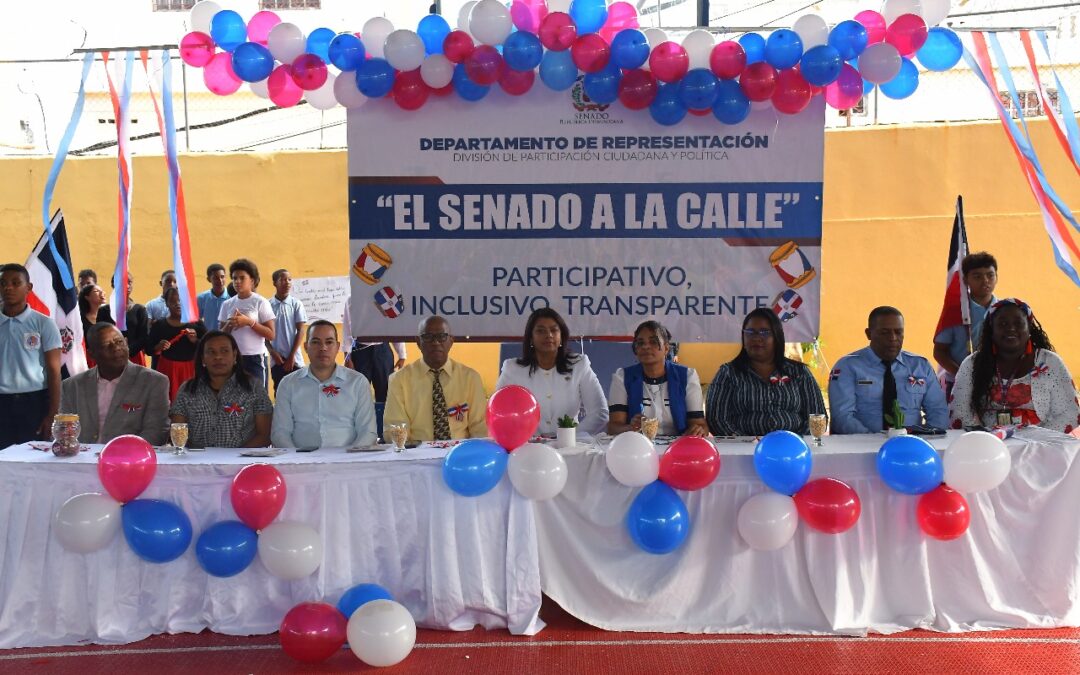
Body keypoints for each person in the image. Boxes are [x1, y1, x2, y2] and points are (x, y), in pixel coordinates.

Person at [951, 298, 1080, 434]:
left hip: (1042, 448)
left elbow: (1069, 413)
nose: (1011, 329)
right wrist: (988, 439)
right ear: (991, 330)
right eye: (1003, 324)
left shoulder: (1050, 362)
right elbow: (959, 414)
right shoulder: (972, 364)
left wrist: (1035, 441)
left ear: (1029, 328)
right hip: (989, 448)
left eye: (1018, 323)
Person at [706, 308, 826, 436]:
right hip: (745, 450)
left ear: (777, 336)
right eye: (750, 332)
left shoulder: (798, 372)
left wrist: (796, 441)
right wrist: (747, 443)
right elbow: (717, 420)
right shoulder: (728, 373)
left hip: (793, 449)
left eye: (764, 332)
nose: (756, 338)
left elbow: (817, 417)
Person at [829, 306, 949, 434]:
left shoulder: (920, 366)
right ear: (869, 334)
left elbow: (938, 411)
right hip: (862, 446)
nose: (892, 338)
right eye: (884, 332)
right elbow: (843, 417)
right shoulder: (848, 366)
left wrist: (925, 438)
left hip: (911, 446)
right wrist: (875, 442)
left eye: (898, 332)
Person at [495, 307, 608, 435]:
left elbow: (600, 413)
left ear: (561, 336)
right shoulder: (513, 369)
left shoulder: (579, 365)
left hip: (570, 448)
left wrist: (568, 436)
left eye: (554, 330)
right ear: (531, 338)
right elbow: (498, 413)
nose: (548, 335)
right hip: (527, 447)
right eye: (541, 331)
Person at [271, 320, 378, 448]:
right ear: (306, 347)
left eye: (329, 342)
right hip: (300, 462)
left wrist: (349, 460)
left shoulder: (357, 382)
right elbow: (280, 433)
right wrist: (298, 460)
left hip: (347, 461)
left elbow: (368, 432)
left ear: (338, 347)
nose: (323, 348)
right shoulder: (288, 384)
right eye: (316, 342)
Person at [60, 323, 170, 444]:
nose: (116, 348)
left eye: (119, 342)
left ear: (127, 343)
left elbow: (156, 432)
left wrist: (120, 455)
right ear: (92, 354)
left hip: (129, 458)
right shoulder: (71, 386)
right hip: (81, 457)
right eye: (106, 345)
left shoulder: (154, 382)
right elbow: (63, 430)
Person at [384, 316, 487, 442]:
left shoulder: (470, 378)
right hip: (416, 456)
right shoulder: (399, 380)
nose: (435, 342)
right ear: (418, 342)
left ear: (451, 341)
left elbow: (480, 428)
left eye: (442, 336)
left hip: (460, 455)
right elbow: (395, 428)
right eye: (428, 337)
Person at [170, 331, 273, 448]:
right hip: (197, 462)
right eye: (211, 352)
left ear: (234, 356)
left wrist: (234, 458)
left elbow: (265, 435)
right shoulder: (187, 389)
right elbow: (177, 431)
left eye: (224, 351)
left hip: (242, 461)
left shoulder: (254, 387)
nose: (218, 357)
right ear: (203, 359)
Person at [607, 320, 708, 437]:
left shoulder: (687, 376)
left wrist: (697, 431)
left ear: (666, 348)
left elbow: (700, 425)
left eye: (653, 342)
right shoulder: (623, 377)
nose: (645, 346)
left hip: (678, 449)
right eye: (640, 343)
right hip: (638, 448)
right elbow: (613, 427)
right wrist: (631, 428)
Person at [0, 263, 62, 447]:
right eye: (3, 283)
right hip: (1, 401)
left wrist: (51, 414)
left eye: (15, 283)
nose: (8, 288)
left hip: (33, 402)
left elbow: (54, 371)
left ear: (28, 288)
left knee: (31, 457)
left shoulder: (43, 324)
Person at [934, 252, 998, 398]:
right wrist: (963, 375)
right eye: (977, 276)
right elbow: (939, 352)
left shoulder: (1005, 310)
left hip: (996, 383)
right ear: (965, 280)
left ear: (997, 277)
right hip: (959, 384)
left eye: (990, 275)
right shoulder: (955, 311)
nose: (985, 281)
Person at [218, 259, 275, 388]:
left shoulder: (260, 302)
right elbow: (220, 336)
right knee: (234, 399)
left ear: (252, 281)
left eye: (242, 278)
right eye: (234, 278)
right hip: (233, 359)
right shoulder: (227, 304)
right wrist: (230, 324)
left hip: (255, 358)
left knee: (258, 399)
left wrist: (249, 322)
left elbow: (271, 335)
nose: (237, 282)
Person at [342, 296, 407, 403]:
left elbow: (395, 326)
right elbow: (347, 329)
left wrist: (402, 354)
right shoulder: (352, 299)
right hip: (360, 351)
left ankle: (383, 419)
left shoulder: (385, 296)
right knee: (359, 392)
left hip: (382, 350)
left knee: (385, 392)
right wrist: (347, 356)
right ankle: (361, 418)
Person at [148, 287, 207, 401]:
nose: (178, 304)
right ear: (166, 303)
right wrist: (158, 347)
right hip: (167, 371)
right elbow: (149, 349)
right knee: (168, 402)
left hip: (191, 370)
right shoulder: (159, 325)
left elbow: (208, 347)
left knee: (191, 401)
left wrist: (195, 341)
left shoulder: (196, 323)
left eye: (181, 300)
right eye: (173, 301)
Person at [268, 269, 307, 393]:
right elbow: (263, 335)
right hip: (277, 360)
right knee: (280, 393)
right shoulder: (267, 305)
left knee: (299, 394)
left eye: (289, 279)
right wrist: (273, 352)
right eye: (283, 279)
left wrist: (291, 356)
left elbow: (301, 330)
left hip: (294, 359)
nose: (287, 282)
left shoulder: (296, 304)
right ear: (275, 283)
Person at [115, 273, 150, 367]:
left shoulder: (140, 310)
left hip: (134, 356)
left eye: (129, 282)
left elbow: (144, 336)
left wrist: (128, 351)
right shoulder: (105, 310)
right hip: (112, 356)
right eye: (123, 282)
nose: (127, 285)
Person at [78, 284, 114, 368]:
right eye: (97, 291)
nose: (102, 293)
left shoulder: (109, 314)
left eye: (102, 291)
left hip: (108, 357)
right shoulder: (80, 318)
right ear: (87, 297)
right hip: (89, 359)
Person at [196, 263, 229, 331]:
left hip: (227, 337)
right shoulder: (201, 298)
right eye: (216, 278)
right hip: (208, 337)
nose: (220, 280)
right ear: (209, 279)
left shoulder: (232, 297)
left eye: (222, 277)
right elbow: (196, 320)